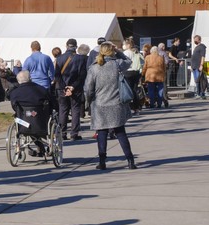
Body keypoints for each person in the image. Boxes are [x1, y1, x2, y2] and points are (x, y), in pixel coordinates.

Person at [84, 42, 137, 170]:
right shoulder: (117, 64)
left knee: (101, 133)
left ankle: (102, 161)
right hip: (116, 104)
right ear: (111, 51)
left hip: (100, 104)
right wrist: (118, 51)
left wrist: (88, 101)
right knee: (120, 132)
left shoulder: (94, 68)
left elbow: (88, 88)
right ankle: (130, 160)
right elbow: (129, 61)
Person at [7, 71, 51, 156]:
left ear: (18, 81)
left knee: (26, 122)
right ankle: (42, 147)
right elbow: (51, 103)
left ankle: (38, 147)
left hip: (23, 122)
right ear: (30, 78)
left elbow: (14, 106)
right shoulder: (42, 90)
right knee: (36, 121)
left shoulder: (15, 93)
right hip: (41, 122)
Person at [54, 38, 87, 140]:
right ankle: (74, 133)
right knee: (75, 110)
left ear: (66, 46)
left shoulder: (59, 59)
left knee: (63, 110)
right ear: (76, 47)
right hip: (75, 88)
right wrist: (72, 87)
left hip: (61, 88)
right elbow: (82, 75)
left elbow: (57, 76)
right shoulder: (80, 58)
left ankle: (62, 132)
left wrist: (65, 87)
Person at [122, 39, 144, 114]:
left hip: (127, 72)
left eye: (124, 44)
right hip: (136, 72)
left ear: (128, 45)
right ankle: (137, 108)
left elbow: (123, 63)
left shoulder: (125, 53)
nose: (123, 45)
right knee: (134, 90)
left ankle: (129, 107)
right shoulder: (136, 52)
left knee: (127, 90)